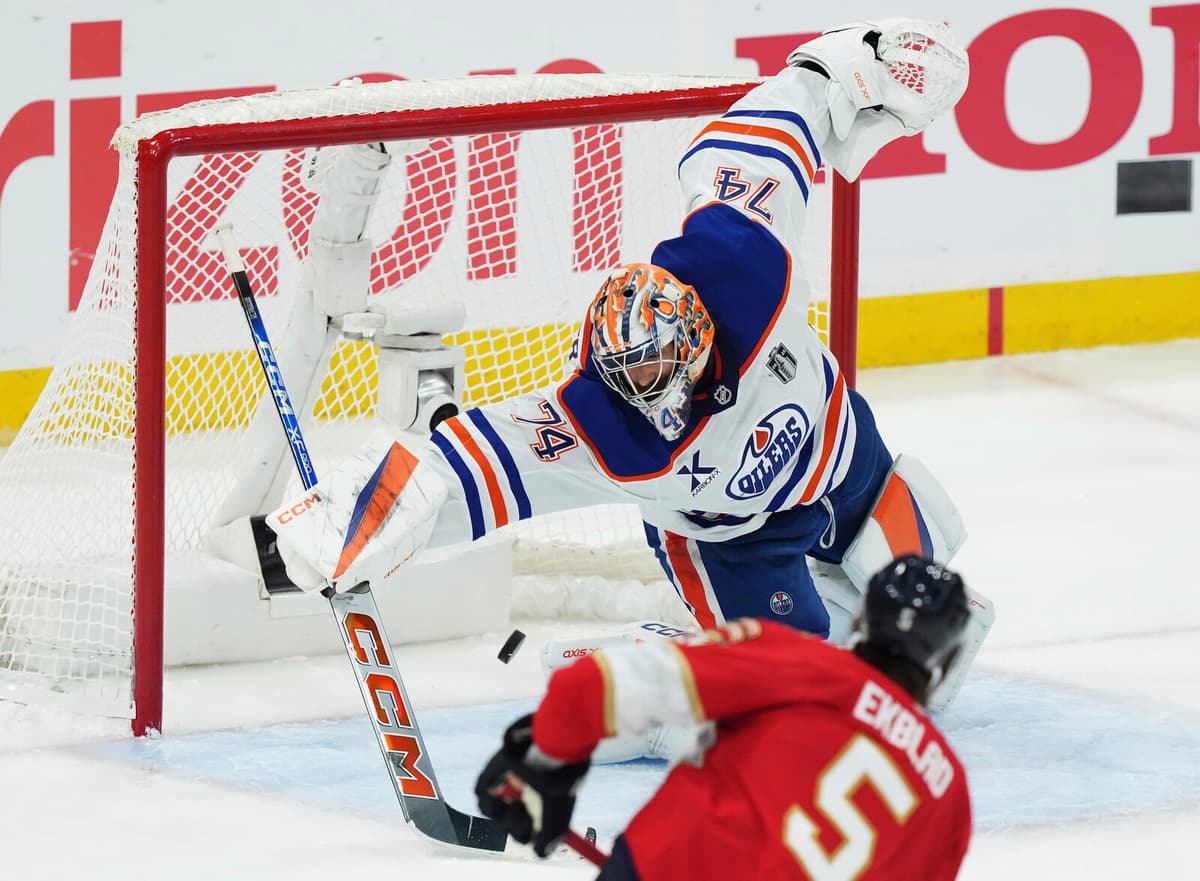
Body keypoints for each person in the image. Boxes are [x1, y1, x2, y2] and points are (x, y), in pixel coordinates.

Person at [265, 17, 991, 709]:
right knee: (799, 691)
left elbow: (770, 128)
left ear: (698, 335)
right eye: (633, 378)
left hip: (840, 450)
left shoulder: (741, 258)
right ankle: (651, 672)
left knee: (925, 555)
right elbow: (466, 466)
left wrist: (852, 65)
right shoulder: (597, 424)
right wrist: (351, 518)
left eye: (658, 371)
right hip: (732, 539)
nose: (649, 393)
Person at [474, 554, 974, 880]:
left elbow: (588, 687)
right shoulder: (948, 794)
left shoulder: (795, 661)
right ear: (947, 660)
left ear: (864, 617)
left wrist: (544, 766)